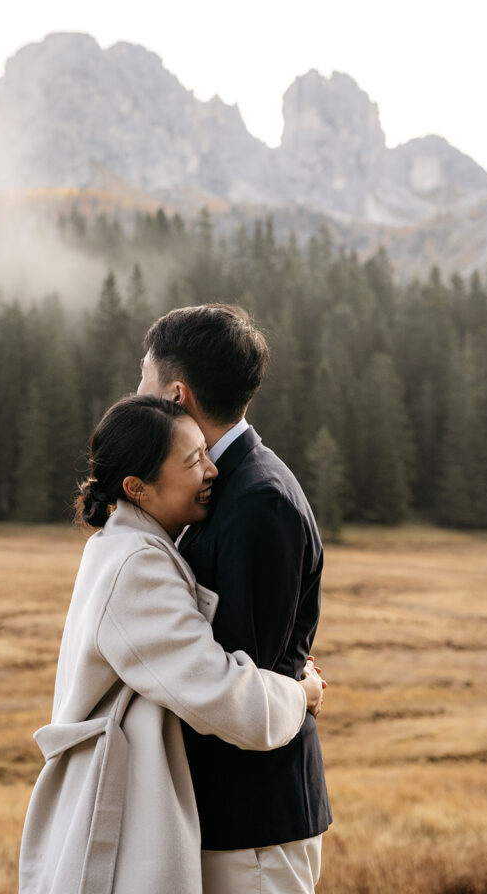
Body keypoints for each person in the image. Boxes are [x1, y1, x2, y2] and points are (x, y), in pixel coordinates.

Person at [19, 394, 326, 894]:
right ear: (138, 487)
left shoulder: (129, 547)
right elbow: (225, 698)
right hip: (121, 823)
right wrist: (301, 692)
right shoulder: (136, 566)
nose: (211, 470)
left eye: (206, 452)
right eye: (192, 461)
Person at [138, 304, 332, 894]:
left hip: (255, 827)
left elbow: (243, 673)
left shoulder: (259, 500)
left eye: (142, 380)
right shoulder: (218, 488)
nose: (134, 394)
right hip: (224, 816)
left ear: (176, 395)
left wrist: (298, 691)